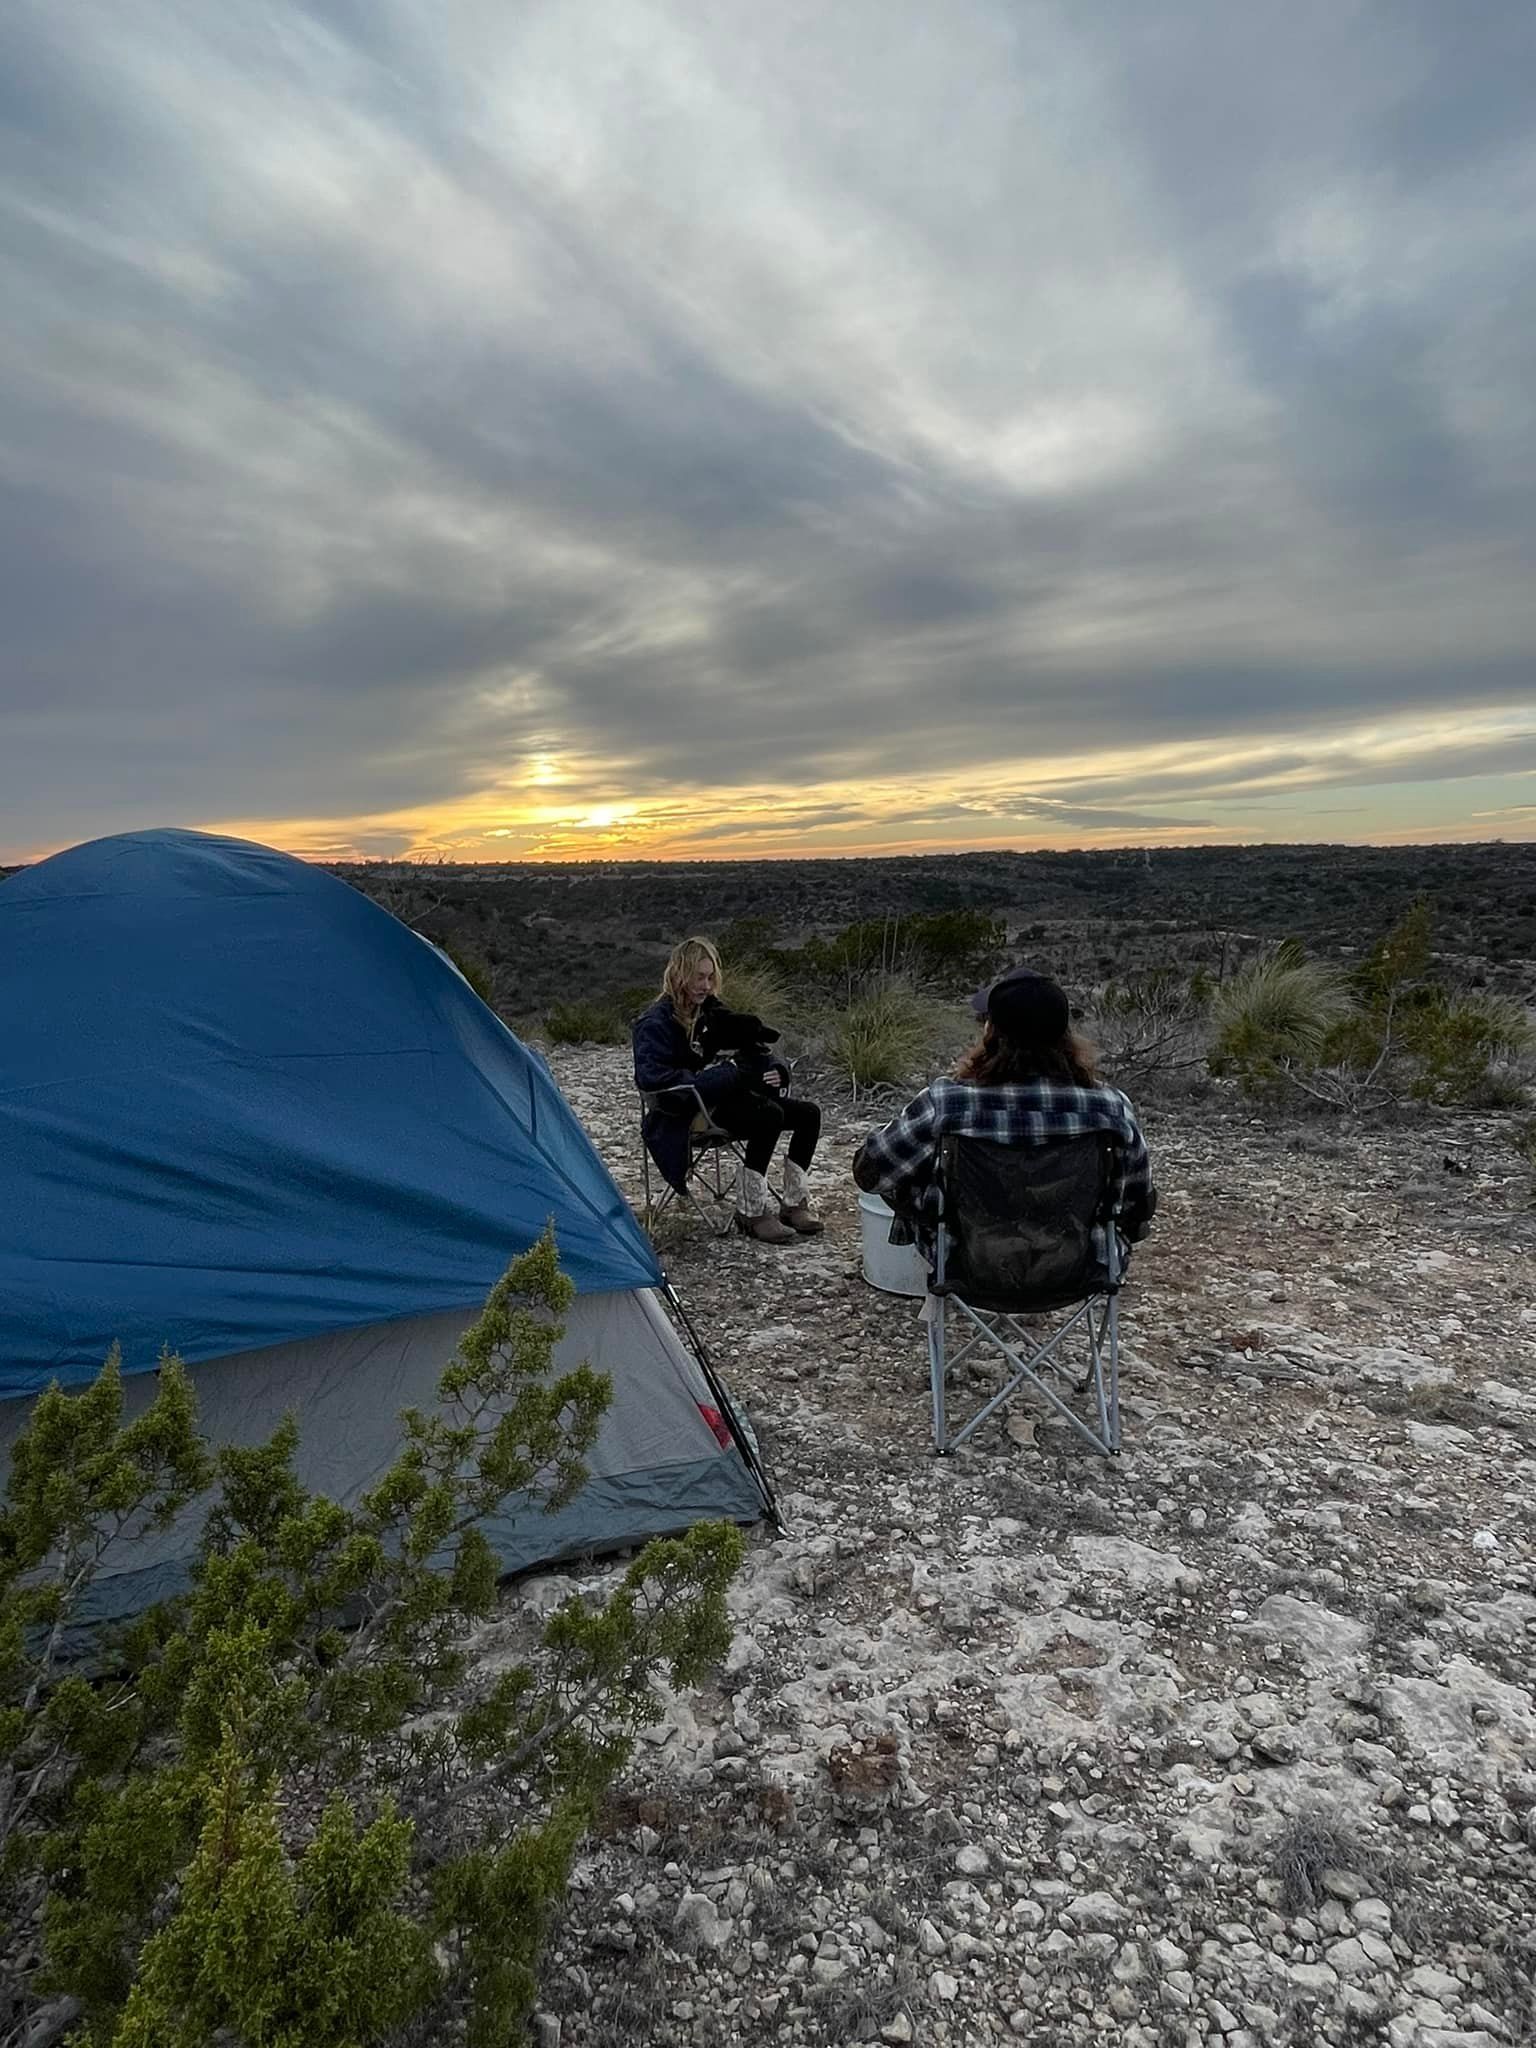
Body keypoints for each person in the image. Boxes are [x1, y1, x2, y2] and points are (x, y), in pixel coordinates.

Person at [852, 966, 1156, 1248]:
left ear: (991, 1033)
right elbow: (1138, 1205)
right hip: (1079, 1269)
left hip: (966, 1266)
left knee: (916, 1175)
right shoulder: (1111, 1107)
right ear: (1065, 1036)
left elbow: (870, 1172)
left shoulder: (947, 1101)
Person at [633, 938, 824, 1243]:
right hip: (685, 1113)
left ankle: (793, 1204)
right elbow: (657, 1084)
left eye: (710, 978)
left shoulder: (709, 1010)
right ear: (679, 975)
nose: (706, 986)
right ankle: (750, 1212)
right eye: (699, 977)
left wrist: (777, 1070)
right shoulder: (655, 1023)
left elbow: (753, 1041)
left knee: (809, 1114)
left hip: (722, 1100)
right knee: (768, 1114)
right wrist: (726, 1073)